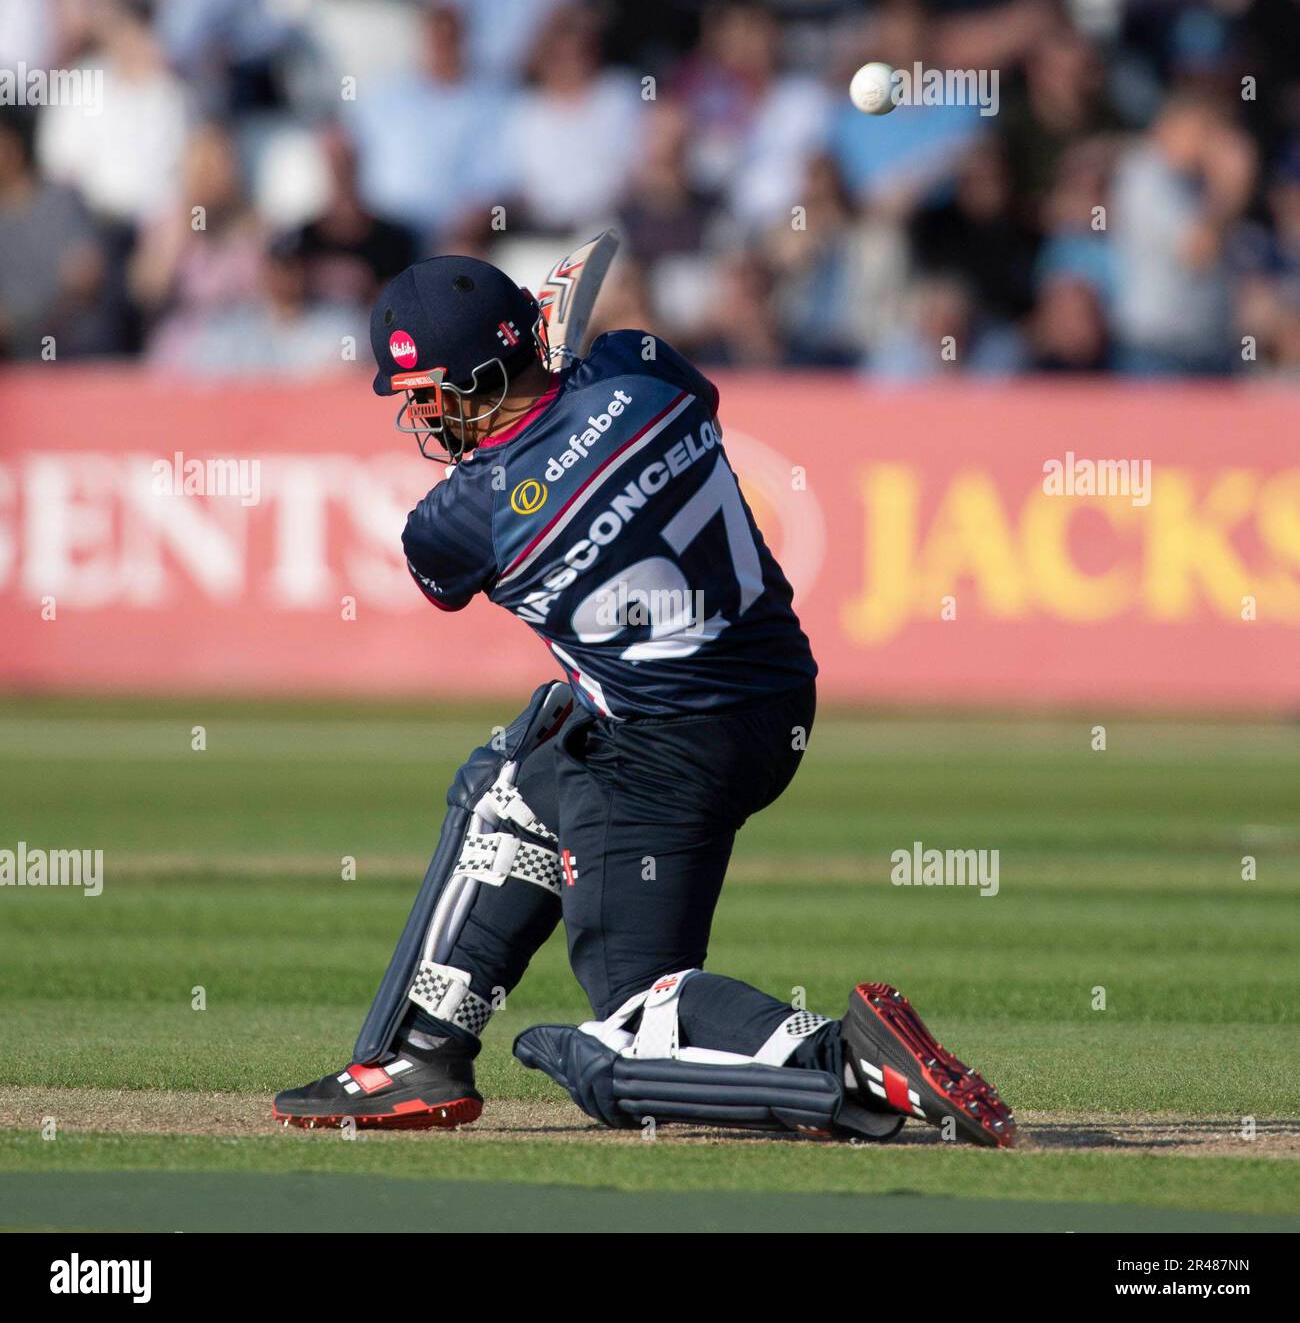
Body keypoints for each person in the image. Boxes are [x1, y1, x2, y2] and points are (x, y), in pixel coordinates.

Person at [272, 255, 1015, 1147]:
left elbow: (443, 572)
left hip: (667, 751)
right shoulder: (642, 364)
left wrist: (537, 425)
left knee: (631, 1019)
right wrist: (566, 377)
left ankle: (848, 1062)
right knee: (519, 774)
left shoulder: (459, 519)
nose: (423, 415)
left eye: (427, 393)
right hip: (773, 692)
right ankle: (418, 1054)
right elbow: (648, 392)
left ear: (473, 376)